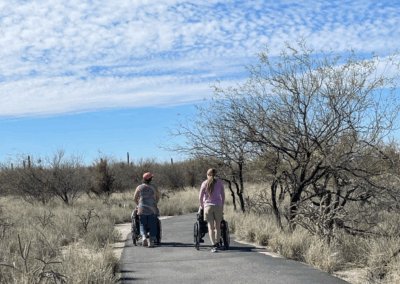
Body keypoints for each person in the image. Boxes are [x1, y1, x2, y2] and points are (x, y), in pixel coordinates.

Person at [199, 168, 225, 252]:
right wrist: (222, 205)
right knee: (217, 226)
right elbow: (223, 195)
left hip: (208, 206)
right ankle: (217, 243)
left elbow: (200, 196)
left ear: (208, 174)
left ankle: (213, 245)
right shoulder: (219, 182)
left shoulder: (204, 183)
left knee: (210, 227)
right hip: (218, 206)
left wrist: (202, 205)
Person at [133, 172, 160, 247]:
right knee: (153, 224)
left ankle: (144, 237)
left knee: (142, 224)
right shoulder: (154, 187)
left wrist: (138, 204)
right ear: (151, 179)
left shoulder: (139, 187)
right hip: (152, 209)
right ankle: (151, 240)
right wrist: (155, 203)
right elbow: (157, 197)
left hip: (142, 209)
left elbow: (134, 198)